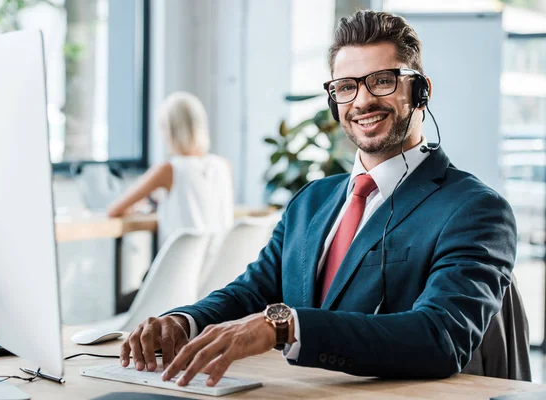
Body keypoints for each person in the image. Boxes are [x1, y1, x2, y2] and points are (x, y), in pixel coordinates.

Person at [119, 10, 516, 387]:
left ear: (421, 91)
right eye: (346, 87)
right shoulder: (312, 200)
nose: (362, 101)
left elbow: (441, 337)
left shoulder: (474, 209)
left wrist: (286, 325)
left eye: (381, 81)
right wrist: (182, 321)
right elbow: (252, 292)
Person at [107, 91, 234, 248]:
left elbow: (114, 210)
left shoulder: (169, 169)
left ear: (170, 130)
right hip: (217, 268)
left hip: (181, 268)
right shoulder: (223, 166)